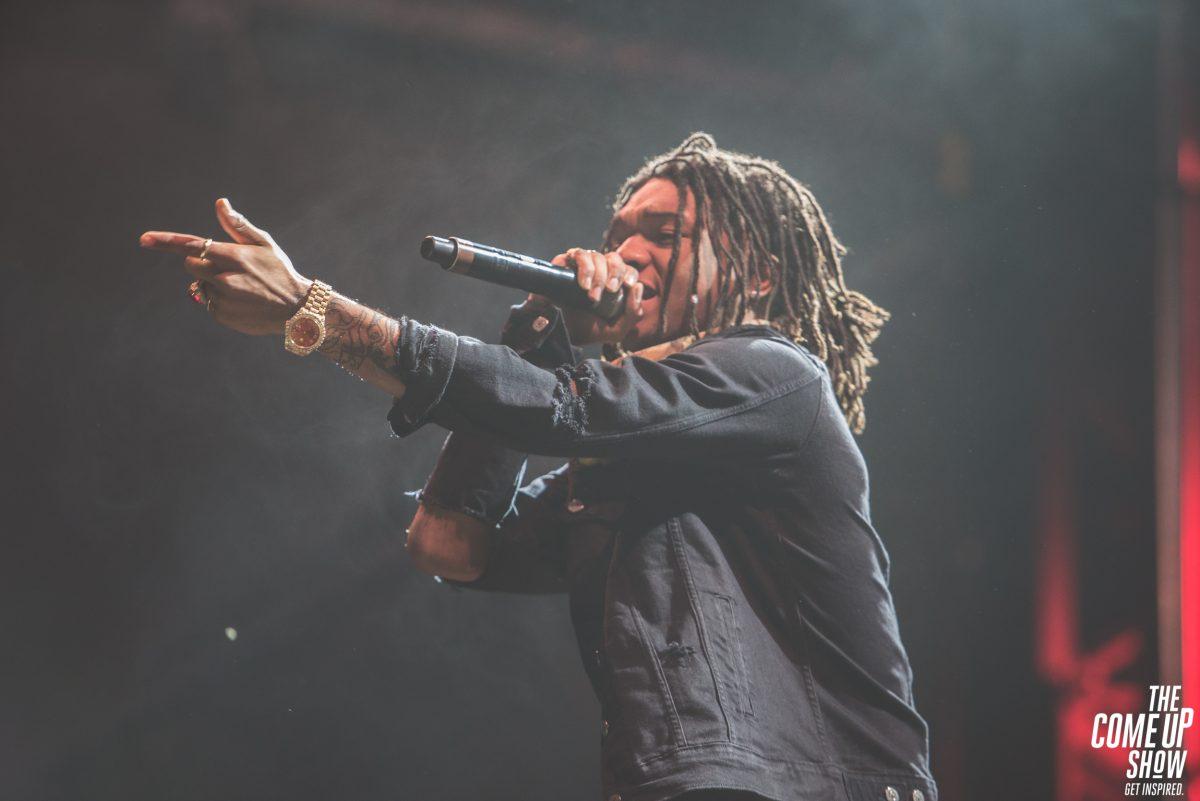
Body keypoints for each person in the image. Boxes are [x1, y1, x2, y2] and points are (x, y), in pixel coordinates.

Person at [140, 133, 937, 801]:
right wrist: (542, 332)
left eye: (664, 232)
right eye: (620, 229)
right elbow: (448, 542)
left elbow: (566, 408)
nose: (625, 248)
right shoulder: (628, 476)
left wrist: (312, 309)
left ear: (758, 273)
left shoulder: (775, 374)